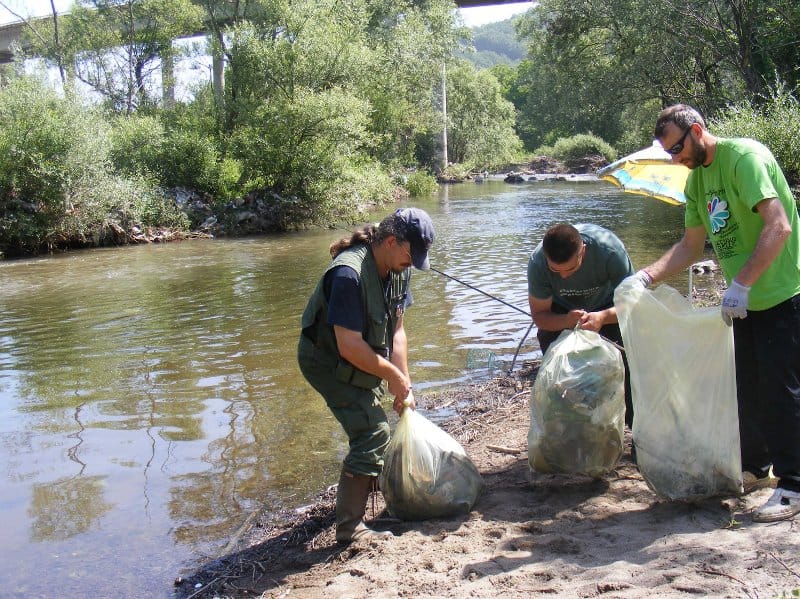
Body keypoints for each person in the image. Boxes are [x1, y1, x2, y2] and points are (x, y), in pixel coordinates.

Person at [629, 104, 800, 522]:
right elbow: (691, 247)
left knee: (781, 391)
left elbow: (778, 226)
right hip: (744, 304)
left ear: (697, 130)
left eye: (677, 148)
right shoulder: (697, 181)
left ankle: (794, 485)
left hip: (782, 293)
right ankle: (756, 467)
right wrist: (646, 277)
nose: (675, 159)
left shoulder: (744, 159)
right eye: (668, 152)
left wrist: (741, 284)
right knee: (746, 388)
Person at [297, 207, 434, 543]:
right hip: (326, 360)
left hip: (361, 354)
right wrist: (391, 375)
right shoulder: (348, 274)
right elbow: (349, 346)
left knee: (376, 421)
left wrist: (403, 383)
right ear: (390, 241)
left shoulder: (398, 268)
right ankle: (349, 528)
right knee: (372, 432)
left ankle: (366, 485)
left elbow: (397, 332)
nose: (412, 263)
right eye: (411, 255)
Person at [527, 223, 635, 427]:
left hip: (608, 306)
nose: (564, 276)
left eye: (570, 268)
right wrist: (565, 321)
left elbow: (633, 304)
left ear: (582, 251)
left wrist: (603, 317)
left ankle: (634, 427)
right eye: (555, 270)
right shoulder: (538, 262)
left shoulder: (610, 251)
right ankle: (569, 428)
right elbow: (540, 316)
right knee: (560, 377)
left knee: (626, 368)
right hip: (561, 310)